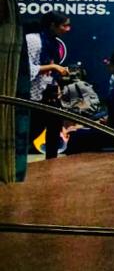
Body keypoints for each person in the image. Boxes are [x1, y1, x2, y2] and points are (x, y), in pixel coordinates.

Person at [24, 9, 71, 159]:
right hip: (31, 96)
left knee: (55, 126)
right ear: (52, 25)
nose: (68, 29)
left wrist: (56, 81)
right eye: (64, 25)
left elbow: (51, 71)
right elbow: (25, 68)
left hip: (48, 94)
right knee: (32, 131)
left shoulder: (53, 43)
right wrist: (52, 67)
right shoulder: (32, 39)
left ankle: (51, 163)